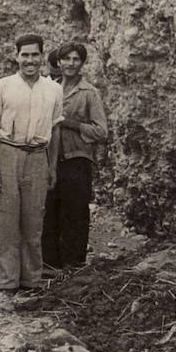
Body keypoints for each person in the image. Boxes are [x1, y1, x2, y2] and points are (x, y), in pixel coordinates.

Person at [0, 34, 64, 294]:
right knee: (7, 219)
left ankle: (31, 279)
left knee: (33, 220)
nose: (29, 60)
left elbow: (56, 129)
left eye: (34, 55)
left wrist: (52, 166)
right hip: (8, 152)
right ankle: (6, 281)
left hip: (39, 156)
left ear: (42, 56)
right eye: (24, 55)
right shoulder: (2, 87)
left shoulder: (54, 89)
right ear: (16, 56)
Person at [42, 43, 109, 269]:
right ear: (58, 62)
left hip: (77, 159)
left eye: (76, 59)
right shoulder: (50, 88)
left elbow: (101, 131)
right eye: (66, 59)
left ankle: (74, 264)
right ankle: (50, 265)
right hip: (51, 158)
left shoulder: (89, 93)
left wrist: (71, 124)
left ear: (82, 63)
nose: (71, 63)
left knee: (75, 212)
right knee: (50, 211)